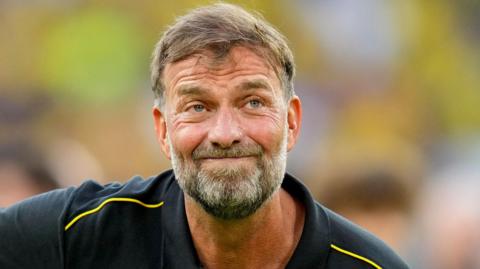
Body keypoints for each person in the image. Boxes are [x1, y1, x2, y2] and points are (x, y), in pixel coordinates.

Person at [0, 3, 409, 268]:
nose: (226, 134)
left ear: (291, 122)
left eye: (252, 103)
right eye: (198, 106)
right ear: (162, 129)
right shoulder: (80, 237)